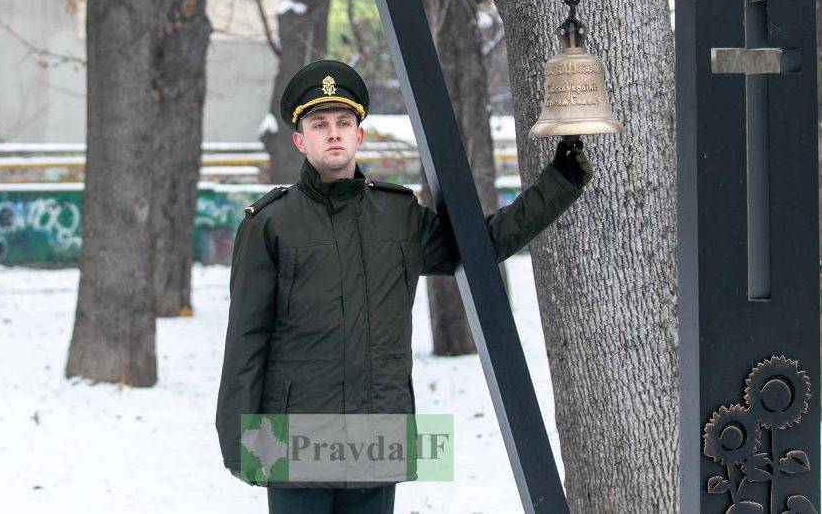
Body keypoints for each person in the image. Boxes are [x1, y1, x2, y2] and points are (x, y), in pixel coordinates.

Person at [215, 59, 592, 514]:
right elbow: (246, 338)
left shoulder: (398, 213)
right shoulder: (271, 224)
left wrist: (561, 183)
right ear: (300, 139)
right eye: (319, 124)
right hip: (297, 430)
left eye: (343, 122)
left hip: (378, 425)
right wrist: (238, 438)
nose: (333, 133)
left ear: (359, 135)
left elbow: (481, 244)